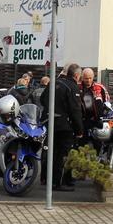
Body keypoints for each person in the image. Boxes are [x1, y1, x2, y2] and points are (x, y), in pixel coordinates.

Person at [43, 63, 84, 191]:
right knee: (63, 154)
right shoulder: (72, 87)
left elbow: (43, 100)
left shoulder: (53, 83)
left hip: (49, 122)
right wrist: (79, 130)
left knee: (49, 152)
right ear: (76, 75)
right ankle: (58, 183)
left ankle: (45, 179)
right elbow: (75, 110)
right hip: (64, 126)